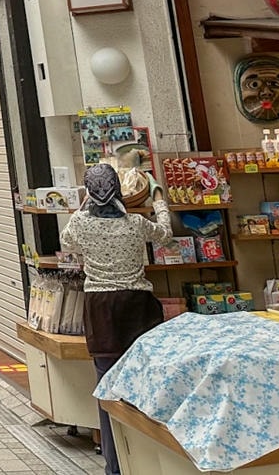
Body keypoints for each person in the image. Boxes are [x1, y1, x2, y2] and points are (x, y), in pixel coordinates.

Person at [60, 164, 171, 475]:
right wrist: (158, 198)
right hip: (138, 307)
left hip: (100, 310)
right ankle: (150, 460)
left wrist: (85, 204)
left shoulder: (80, 223)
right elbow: (165, 234)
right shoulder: (136, 223)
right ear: (119, 192)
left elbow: (66, 241)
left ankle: (115, 467)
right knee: (145, 384)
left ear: (88, 193)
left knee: (107, 390)